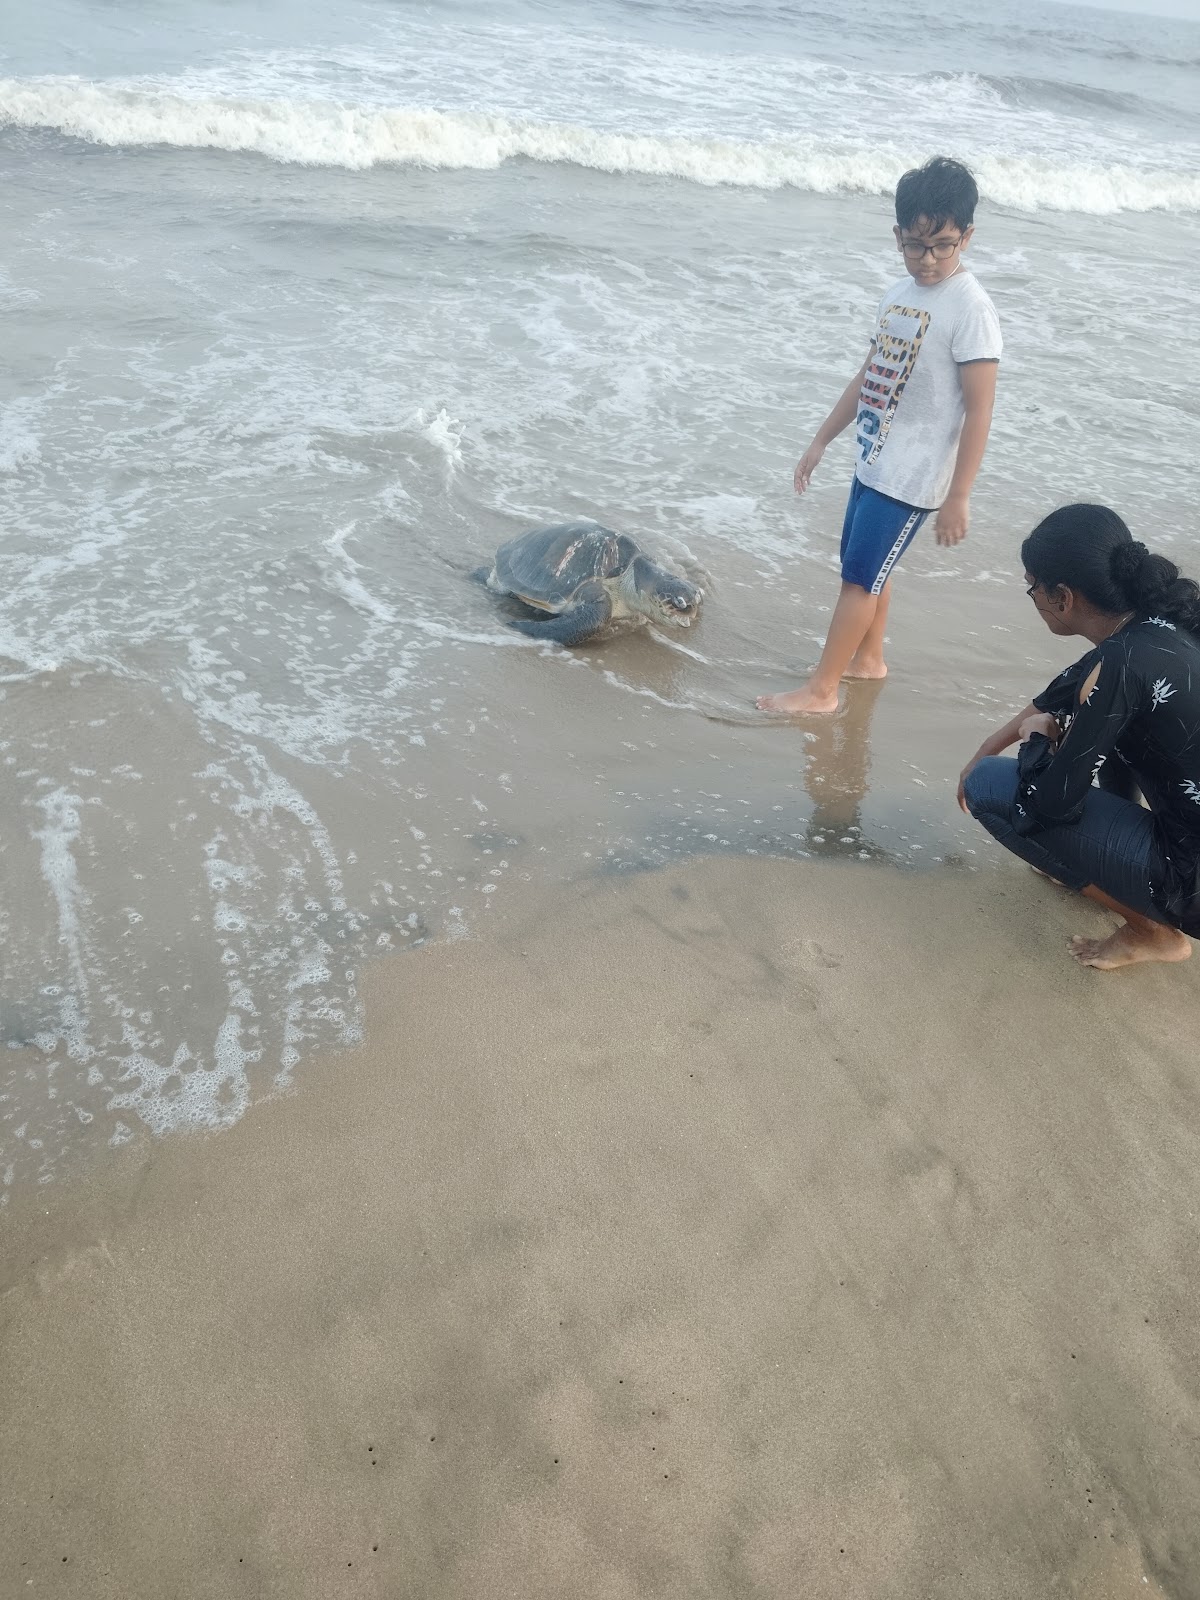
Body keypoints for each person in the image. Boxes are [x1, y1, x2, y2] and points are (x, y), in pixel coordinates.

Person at [758, 156, 1001, 715]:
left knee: (858, 581)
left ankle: (821, 691)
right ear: (898, 236)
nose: (929, 258)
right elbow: (869, 375)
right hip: (874, 459)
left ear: (966, 236)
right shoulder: (899, 294)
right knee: (865, 569)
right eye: (915, 245)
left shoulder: (971, 309)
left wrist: (959, 495)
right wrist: (822, 440)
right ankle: (868, 661)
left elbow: (981, 409)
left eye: (943, 244)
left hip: (912, 477)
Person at [959, 504, 1200, 971]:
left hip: (1192, 880)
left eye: (1032, 587)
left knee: (989, 787)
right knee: (1101, 738)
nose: (1032, 596)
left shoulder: (1117, 667)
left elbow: (1051, 806)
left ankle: (1150, 932)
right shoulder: (1162, 627)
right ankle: (1105, 872)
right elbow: (1057, 695)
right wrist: (986, 747)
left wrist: (1036, 742)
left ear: (1063, 596)